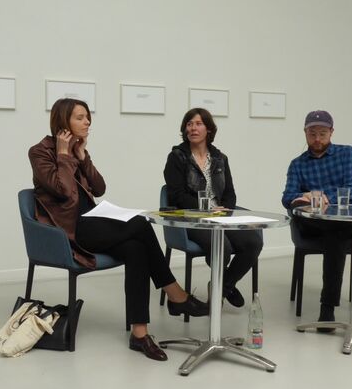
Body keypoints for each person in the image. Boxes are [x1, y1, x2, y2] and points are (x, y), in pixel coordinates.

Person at [28, 98, 209, 361]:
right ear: (62, 121)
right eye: (80, 117)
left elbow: (99, 188)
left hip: (92, 222)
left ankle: (140, 334)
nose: (87, 122)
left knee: (136, 248)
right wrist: (64, 154)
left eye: (87, 117)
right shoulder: (40, 152)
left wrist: (82, 157)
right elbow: (63, 191)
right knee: (140, 223)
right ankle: (174, 293)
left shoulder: (77, 150)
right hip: (70, 231)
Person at [282, 110, 352, 330]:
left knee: (335, 234)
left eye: (322, 133)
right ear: (305, 133)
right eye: (312, 134)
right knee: (326, 223)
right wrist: (306, 197)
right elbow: (287, 197)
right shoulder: (297, 164)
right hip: (315, 224)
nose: (317, 139)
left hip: (343, 221)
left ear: (331, 132)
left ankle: (327, 309)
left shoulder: (347, 153)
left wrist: (320, 195)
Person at [163, 107, 262, 307]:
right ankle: (224, 288)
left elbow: (230, 193)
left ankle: (223, 286)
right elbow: (176, 195)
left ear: (208, 129)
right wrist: (206, 209)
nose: (193, 128)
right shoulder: (177, 157)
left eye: (198, 123)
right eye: (189, 124)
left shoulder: (220, 158)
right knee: (222, 247)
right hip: (191, 219)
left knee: (253, 242)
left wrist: (225, 209)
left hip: (219, 217)